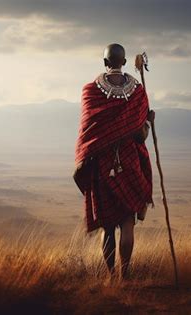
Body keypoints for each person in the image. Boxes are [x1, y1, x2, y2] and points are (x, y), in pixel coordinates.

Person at [73, 43, 155, 279]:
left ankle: (111, 278)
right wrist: (148, 121)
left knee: (108, 228)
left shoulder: (91, 92)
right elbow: (140, 135)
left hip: (102, 166)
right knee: (127, 223)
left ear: (105, 63)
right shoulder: (138, 92)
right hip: (129, 162)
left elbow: (88, 134)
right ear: (125, 62)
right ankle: (124, 277)